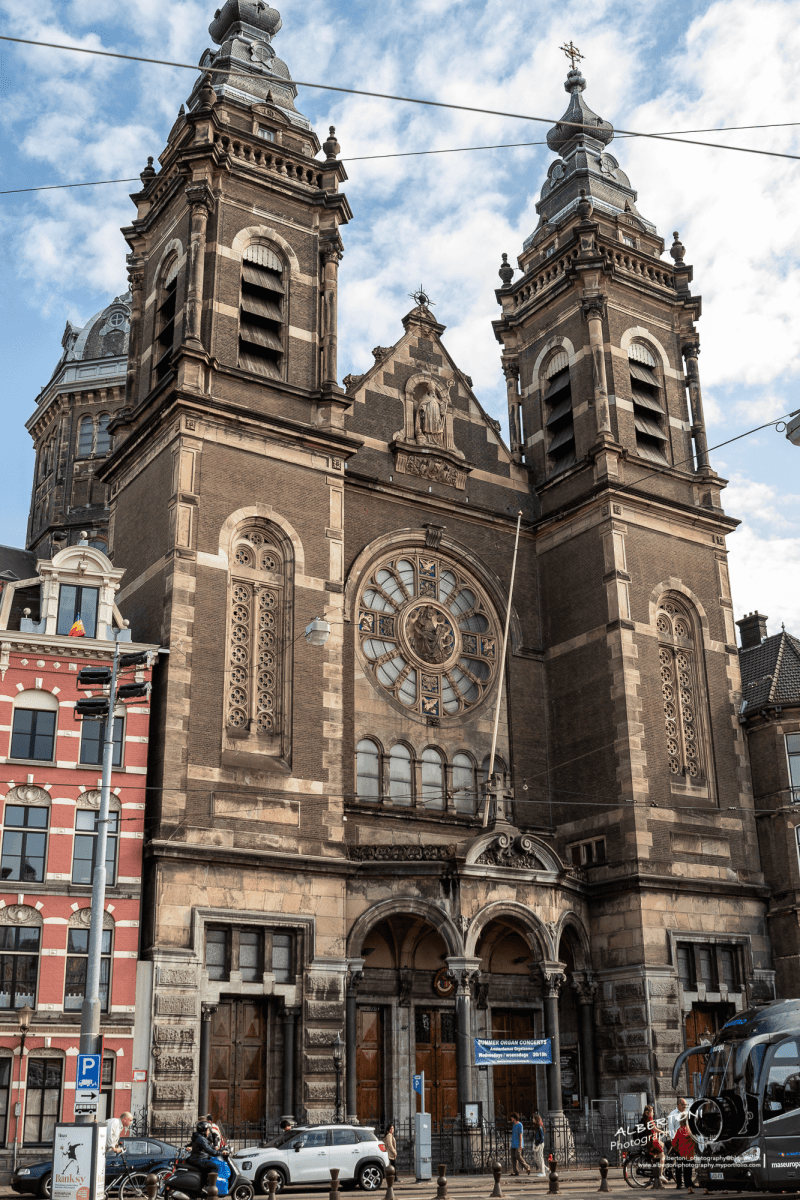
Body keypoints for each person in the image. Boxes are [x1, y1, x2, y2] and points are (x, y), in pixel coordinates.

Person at [669, 1099, 695, 1192]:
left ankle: (688, 1182)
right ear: (678, 1105)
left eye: (686, 1105)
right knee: (680, 1165)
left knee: (686, 1165)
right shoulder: (672, 1114)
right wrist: (674, 1144)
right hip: (679, 1143)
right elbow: (671, 1129)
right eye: (683, 1105)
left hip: (682, 1143)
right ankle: (680, 1183)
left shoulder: (686, 1113)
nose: (685, 1107)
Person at [643, 1105, 668, 1185]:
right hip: (652, 1141)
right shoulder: (649, 1119)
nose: (653, 1113)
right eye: (652, 1112)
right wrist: (663, 1132)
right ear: (648, 1113)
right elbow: (654, 1129)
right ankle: (660, 1174)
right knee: (662, 1156)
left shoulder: (647, 1119)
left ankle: (656, 1171)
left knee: (662, 1144)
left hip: (652, 1139)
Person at [531, 1112, 546, 1178]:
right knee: (536, 1158)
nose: (532, 1119)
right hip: (537, 1143)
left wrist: (537, 1144)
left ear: (536, 1119)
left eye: (533, 1118)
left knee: (540, 1158)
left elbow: (541, 1138)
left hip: (539, 1144)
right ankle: (545, 1169)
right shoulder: (536, 1127)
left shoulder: (539, 1127)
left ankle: (543, 1172)